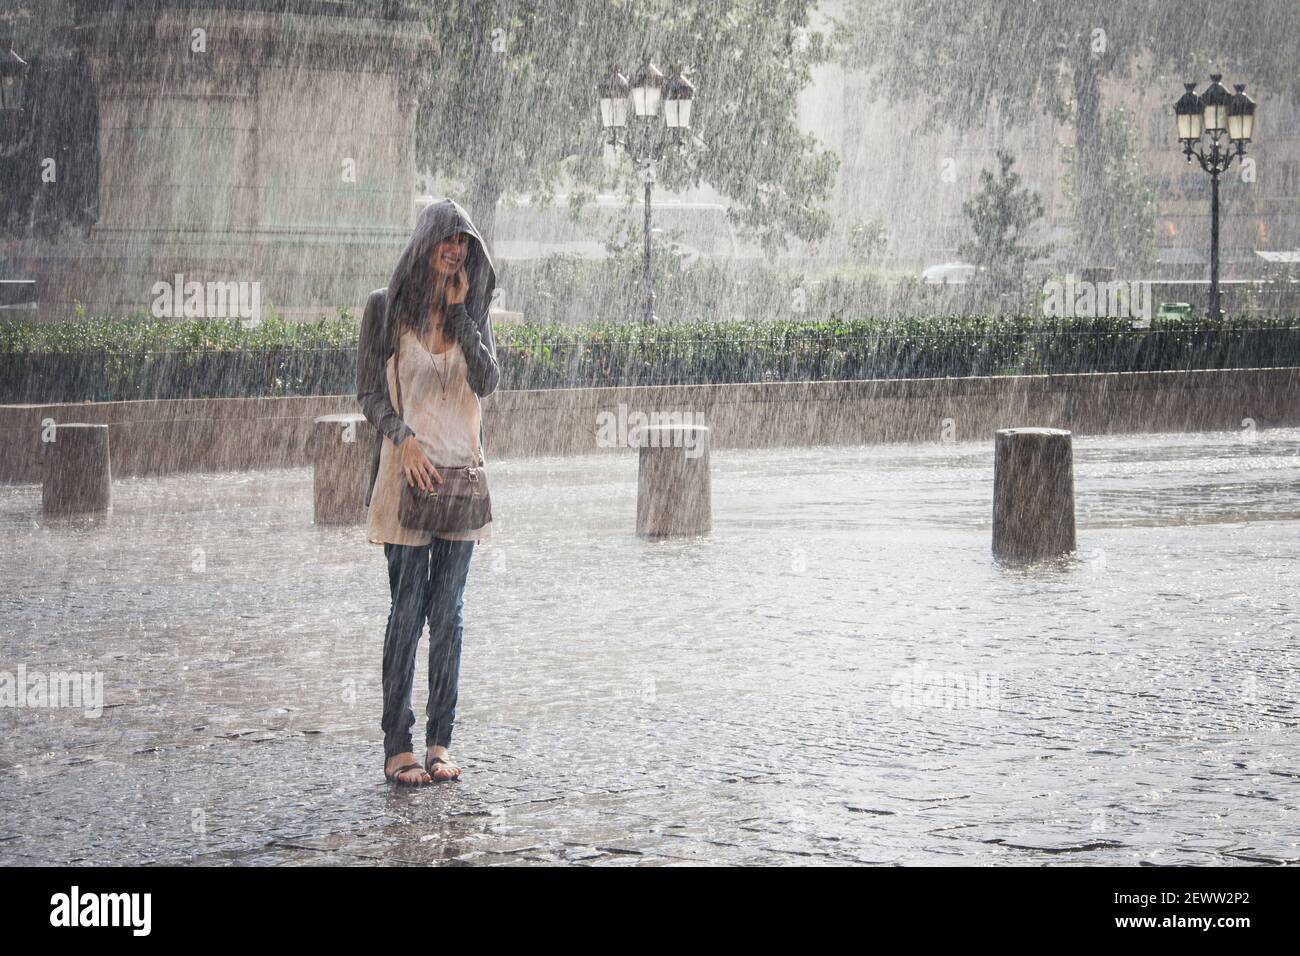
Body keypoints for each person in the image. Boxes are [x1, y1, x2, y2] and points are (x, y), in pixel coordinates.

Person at [356, 198, 501, 785]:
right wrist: (403, 438)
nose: (455, 249)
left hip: (461, 479)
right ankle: (398, 743)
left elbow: (488, 381)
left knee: (450, 615)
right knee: (408, 611)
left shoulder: (474, 312)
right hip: (408, 480)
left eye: (464, 241)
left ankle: (441, 740)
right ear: (424, 243)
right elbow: (368, 394)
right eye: (447, 238)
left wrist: (465, 316)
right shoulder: (385, 311)